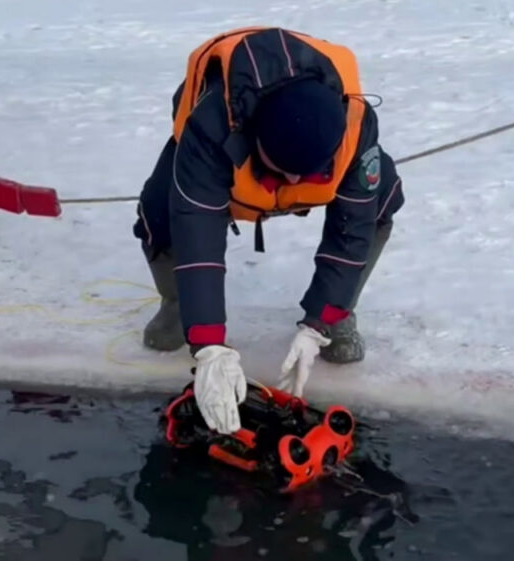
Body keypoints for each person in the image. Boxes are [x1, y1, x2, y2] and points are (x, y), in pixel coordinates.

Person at [132, 27, 404, 435]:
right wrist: (208, 345)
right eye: (284, 168)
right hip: (216, 166)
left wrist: (318, 324)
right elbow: (198, 234)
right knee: (159, 211)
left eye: (305, 172)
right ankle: (177, 305)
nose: (294, 178)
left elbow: (353, 230)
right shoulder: (211, 126)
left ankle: (339, 312)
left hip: (327, 168)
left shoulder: (356, 128)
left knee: (381, 197)